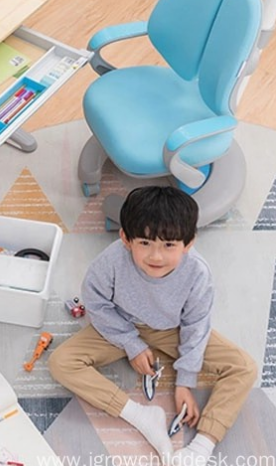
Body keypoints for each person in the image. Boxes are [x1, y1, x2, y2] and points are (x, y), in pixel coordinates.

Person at [48, 186, 257, 465]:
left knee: (243, 367)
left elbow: (196, 325)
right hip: (120, 324)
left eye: (169, 245)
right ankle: (141, 416)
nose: (156, 257)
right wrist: (132, 344)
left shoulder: (198, 273)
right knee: (61, 362)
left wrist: (185, 382)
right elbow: (96, 303)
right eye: (144, 243)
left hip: (174, 330)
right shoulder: (110, 261)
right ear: (126, 238)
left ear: (189, 243)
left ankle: (202, 447)